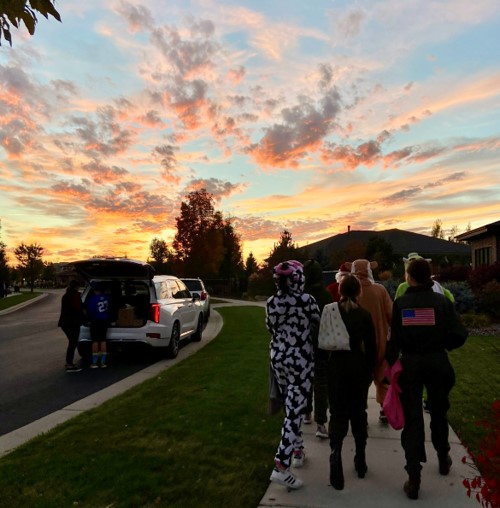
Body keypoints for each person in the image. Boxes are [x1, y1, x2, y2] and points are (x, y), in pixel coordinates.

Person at [386, 258, 468, 500]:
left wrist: (390, 367)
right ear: (430, 277)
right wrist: (442, 344)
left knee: (413, 420)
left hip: (411, 366)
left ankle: (414, 477)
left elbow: (394, 342)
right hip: (437, 363)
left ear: (409, 277)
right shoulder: (441, 302)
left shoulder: (401, 304)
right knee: (439, 411)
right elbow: (460, 334)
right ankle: (443, 457)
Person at [266, 260, 320, 490]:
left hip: (278, 359)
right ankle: (281, 465)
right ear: (299, 279)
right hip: (301, 361)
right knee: (295, 410)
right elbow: (318, 324)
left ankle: (297, 450)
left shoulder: (271, 302)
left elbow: (270, 328)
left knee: (290, 405)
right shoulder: (307, 301)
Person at [322, 274, 377, 490]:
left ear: (340, 291)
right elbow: (371, 348)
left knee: (337, 413)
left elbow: (322, 341)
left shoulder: (330, 312)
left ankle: (336, 451)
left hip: (336, 367)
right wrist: (370, 370)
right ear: (358, 292)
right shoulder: (363, 315)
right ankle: (360, 458)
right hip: (358, 368)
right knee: (358, 413)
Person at [346, 259, 392, 423]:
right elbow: (391, 314)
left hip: (358, 345)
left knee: (360, 380)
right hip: (380, 342)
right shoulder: (380, 290)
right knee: (382, 377)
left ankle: (360, 410)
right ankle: (384, 409)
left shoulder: (351, 292)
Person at [303, 259, 333, 439]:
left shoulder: (302, 297)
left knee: (306, 380)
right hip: (322, 345)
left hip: (304, 346)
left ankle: (306, 412)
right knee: (321, 383)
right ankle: (321, 423)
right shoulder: (326, 296)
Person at [57, 280, 84, 372]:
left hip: (64, 323)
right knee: (73, 343)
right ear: (76, 287)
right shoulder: (75, 296)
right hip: (73, 323)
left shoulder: (65, 296)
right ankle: (69, 364)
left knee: (72, 343)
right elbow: (78, 309)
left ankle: (69, 362)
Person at [86, 283, 110, 368]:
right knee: (103, 340)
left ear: (94, 290)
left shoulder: (92, 299)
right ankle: (103, 362)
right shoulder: (106, 298)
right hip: (104, 320)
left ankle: (95, 362)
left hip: (96, 321)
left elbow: (90, 311)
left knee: (95, 341)